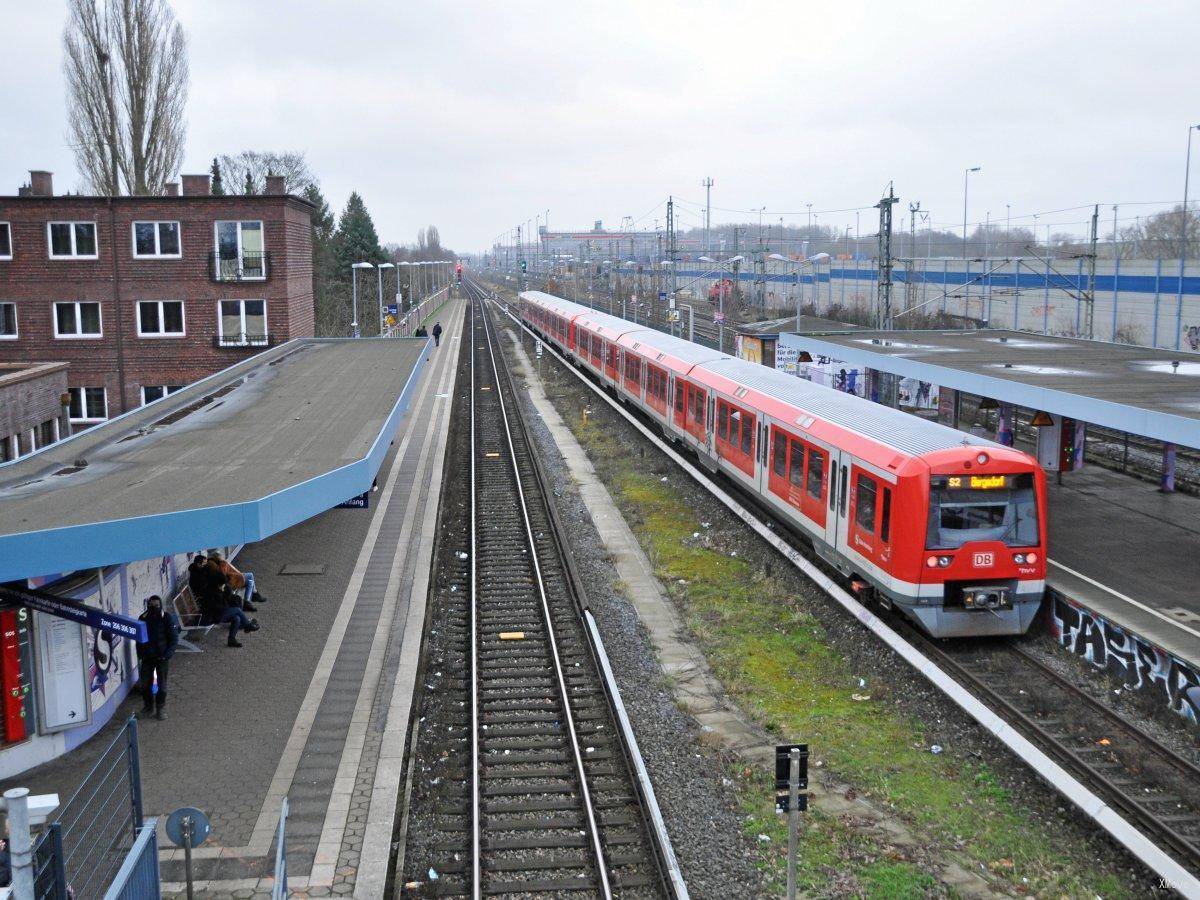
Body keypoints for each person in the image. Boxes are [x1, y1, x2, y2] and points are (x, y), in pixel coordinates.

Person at [136, 595, 179, 720]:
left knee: (162, 685)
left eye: (156, 605)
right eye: (151, 605)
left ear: (160, 605)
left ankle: (160, 709)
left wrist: (167, 655)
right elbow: (139, 640)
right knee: (145, 685)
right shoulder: (142, 618)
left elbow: (173, 638)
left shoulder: (166, 618)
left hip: (162, 658)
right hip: (147, 659)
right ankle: (148, 708)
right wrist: (141, 655)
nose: (154, 607)